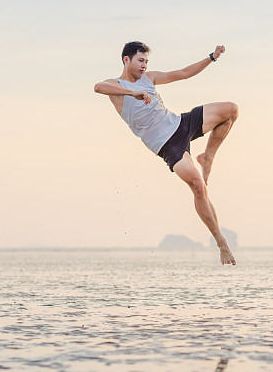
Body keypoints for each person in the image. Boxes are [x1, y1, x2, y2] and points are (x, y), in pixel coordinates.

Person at [94, 41, 238, 265]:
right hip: (167, 145)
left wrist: (212, 57)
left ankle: (207, 156)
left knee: (231, 110)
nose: (144, 66)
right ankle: (221, 242)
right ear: (126, 60)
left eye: (146, 61)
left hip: (180, 123)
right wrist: (133, 93)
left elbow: (183, 73)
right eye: (140, 60)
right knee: (199, 187)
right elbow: (98, 87)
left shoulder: (149, 78)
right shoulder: (117, 86)